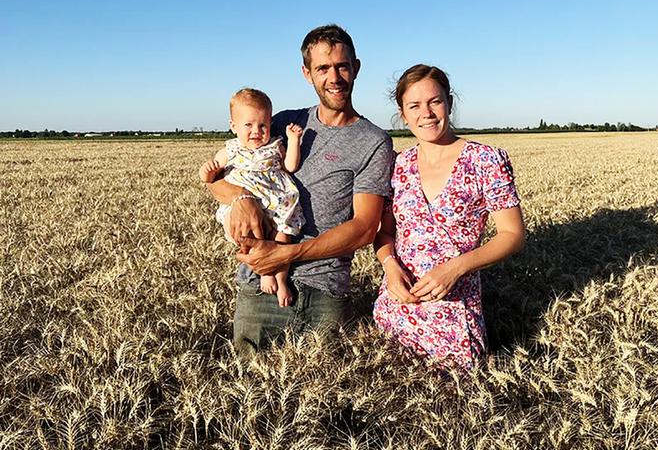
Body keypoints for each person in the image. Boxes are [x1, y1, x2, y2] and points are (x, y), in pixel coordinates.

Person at [206, 24, 393, 354]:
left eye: (342, 66)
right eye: (323, 68)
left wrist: (287, 254)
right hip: (258, 282)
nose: (333, 77)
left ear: (356, 68)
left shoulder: (374, 142)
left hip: (325, 291)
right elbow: (217, 180)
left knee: (324, 397)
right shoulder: (279, 123)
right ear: (307, 73)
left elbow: (364, 228)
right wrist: (241, 197)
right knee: (250, 387)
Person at [372, 64, 525, 370]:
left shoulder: (485, 160)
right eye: (414, 105)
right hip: (397, 306)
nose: (425, 113)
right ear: (403, 113)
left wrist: (455, 269)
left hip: (453, 316)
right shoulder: (398, 165)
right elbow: (385, 233)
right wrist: (390, 268)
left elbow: (513, 235)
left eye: (435, 101)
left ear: (449, 103)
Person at [199, 88, 305, 307]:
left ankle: (281, 280)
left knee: (282, 236)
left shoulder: (275, 145)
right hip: (244, 207)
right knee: (248, 235)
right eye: (248, 125)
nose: (256, 131)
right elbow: (210, 178)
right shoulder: (231, 149)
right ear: (233, 126)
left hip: (277, 203)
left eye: (263, 125)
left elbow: (291, 166)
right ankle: (265, 270)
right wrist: (207, 171)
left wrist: (294, 140)